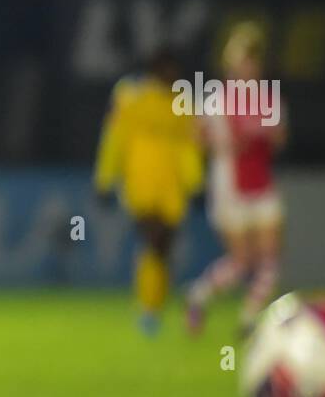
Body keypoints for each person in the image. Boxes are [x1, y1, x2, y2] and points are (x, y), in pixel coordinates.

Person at [185, 23, 287, 337]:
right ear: (231, 64)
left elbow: (280, 139)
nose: (248, 67)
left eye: (252, 60)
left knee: (270, 259)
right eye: (243, 60)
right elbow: (196, 137)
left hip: (261, 183)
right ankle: (198, 295)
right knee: (242, 262)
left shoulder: (267, 97)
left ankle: (248, 320)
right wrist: (224, 143)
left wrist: (263, 134)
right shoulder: (216, 99)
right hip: (229, 185)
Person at [93, 49, 204, 335]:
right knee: (153, 241)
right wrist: (105, 179)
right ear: (156, 70)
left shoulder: (182, 104)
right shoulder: (131, 98)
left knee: (162, 249)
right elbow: (115, 139)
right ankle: (148, 310)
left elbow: (188, 148)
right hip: (140, 183)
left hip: (172, 189)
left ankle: (153, 306)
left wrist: (196, 184)